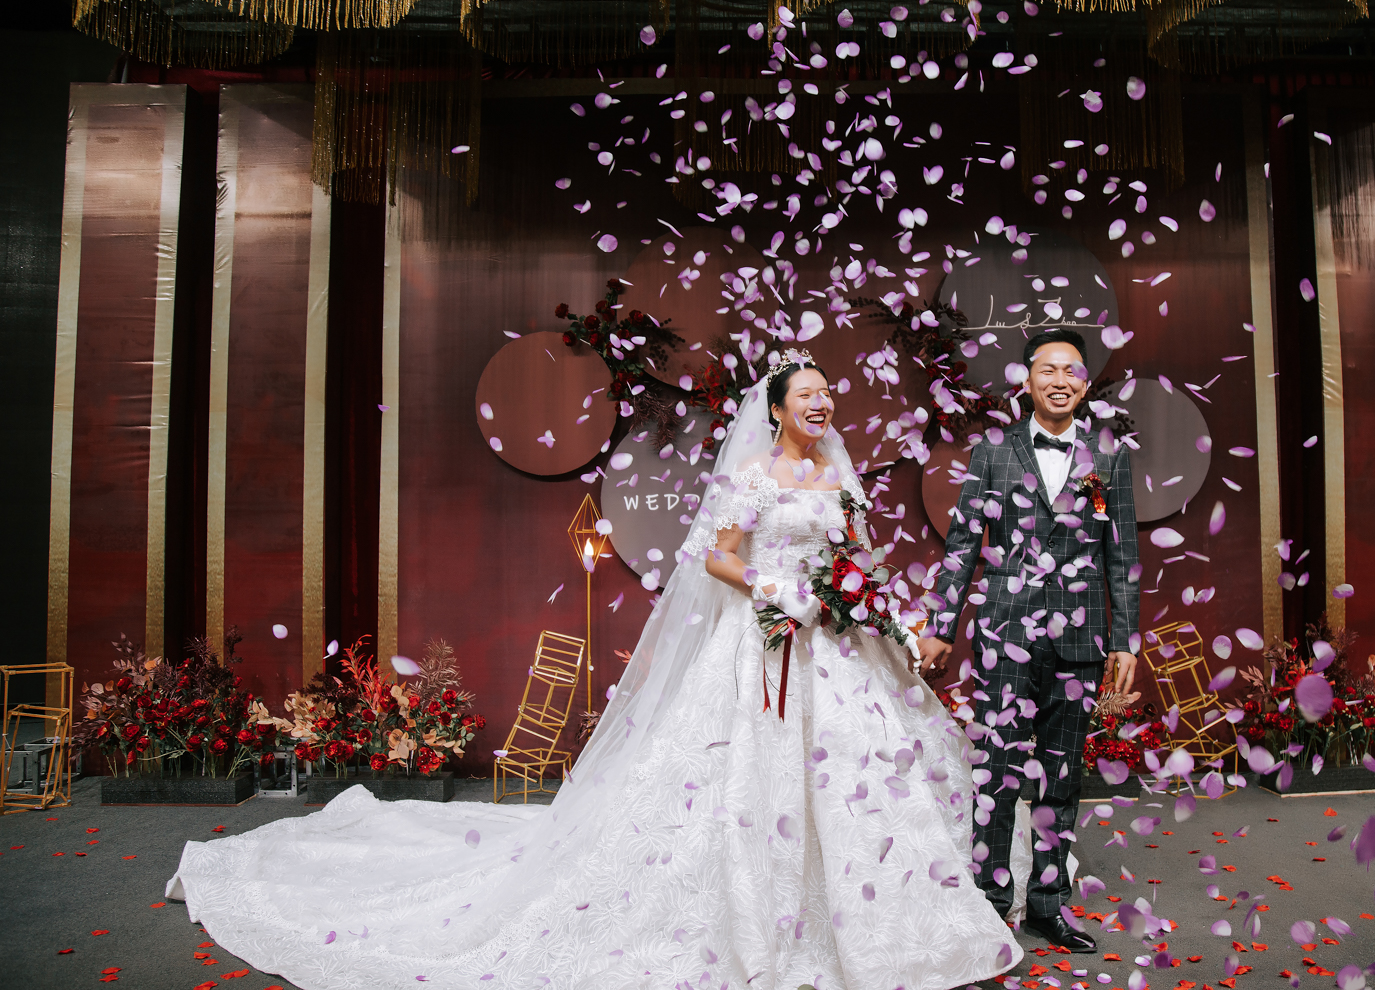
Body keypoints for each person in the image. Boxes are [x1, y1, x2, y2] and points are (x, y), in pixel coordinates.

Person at [166, 349, 1020, 990]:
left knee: (857, 771)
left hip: (833, 646)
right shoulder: (754, 476)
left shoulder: (840, 478)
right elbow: (717, 556)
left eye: (827, 394)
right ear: (777, 408)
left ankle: (863, 912)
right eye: (806, 395)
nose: (822, 403)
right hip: (764, 639)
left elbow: (857, 561)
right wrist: (775, 588)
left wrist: (867, 606)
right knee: (738, 780)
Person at [916, 328, 1141, 953]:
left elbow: (1122, 555)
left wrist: (1125, 636)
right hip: (1005, 631)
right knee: (997, 772)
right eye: (1048, 370)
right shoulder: (993, 451)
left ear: (1085, 384)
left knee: (1061, 775)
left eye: (1072, 371)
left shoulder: (1110, 457)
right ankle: (989, 904)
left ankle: (1047, 905)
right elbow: (964, 542)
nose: (1060, 381)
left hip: (1080, 638)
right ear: (1027, 380)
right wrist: (941, 626)